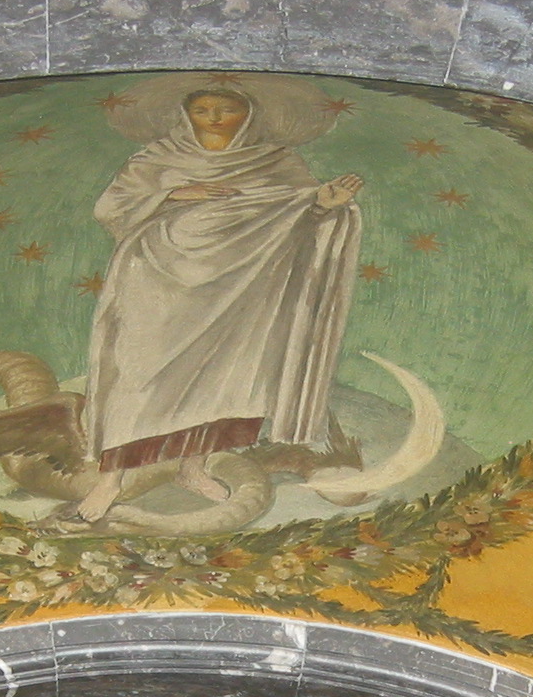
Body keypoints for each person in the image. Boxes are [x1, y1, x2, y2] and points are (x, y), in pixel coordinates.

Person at [73, 75, 364, 523]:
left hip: (240, 283)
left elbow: (294, 213)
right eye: (203, 109)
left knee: (221, 380)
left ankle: (193, 468)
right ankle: (110, 481)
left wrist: (323, 204)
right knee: (138, 375)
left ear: (248, 115)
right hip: (157, 276)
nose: (214, 118)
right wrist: (172, 193)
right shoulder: (156, 159)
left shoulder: (276, 161)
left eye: (227, 110)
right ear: (186, 114)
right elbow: (110, 208)